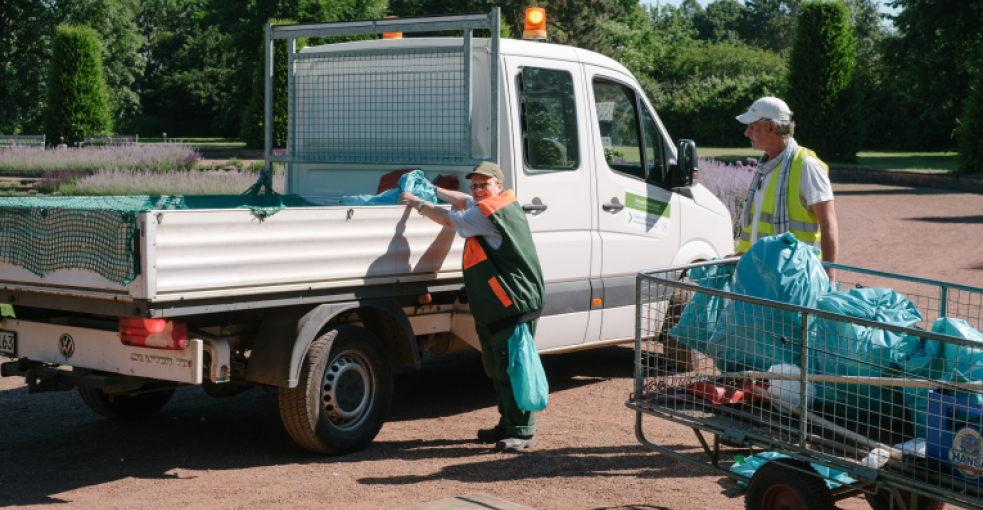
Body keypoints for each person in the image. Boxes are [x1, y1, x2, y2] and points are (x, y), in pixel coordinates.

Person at [398, 161, 546, 452]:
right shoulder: (497, 203)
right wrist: (434, 189)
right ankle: (507, 425)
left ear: (498, 186)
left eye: (484, 184)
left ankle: (523, 431)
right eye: (475, 185)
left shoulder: (487, 213)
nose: (478, 190)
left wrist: (418, 202)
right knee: (497, 367)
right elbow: (464, 200)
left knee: (514, 366)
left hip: (511, 302)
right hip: (498, 304)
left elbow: (448, 218)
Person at [732, 97, 839, 280]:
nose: (746, 133)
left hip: (796, 279)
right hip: (761, 276)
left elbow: (828, 223)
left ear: (771, 128)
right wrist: (740, 258)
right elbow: (758, 228)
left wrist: (829, 278)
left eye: (752, 126)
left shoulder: (807, 166)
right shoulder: (765, 168)